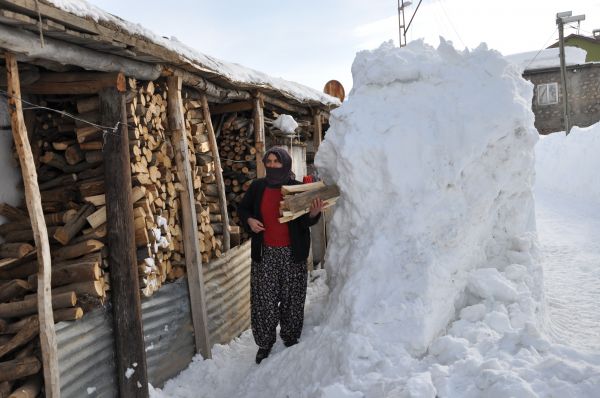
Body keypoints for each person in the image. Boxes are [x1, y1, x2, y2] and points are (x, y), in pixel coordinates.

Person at [238, 147, 324, 364]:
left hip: (292, 254)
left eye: (277, 161)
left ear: (285, 164)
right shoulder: (258, 187)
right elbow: (243, 209)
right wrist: (249, 220)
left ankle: (290, 335)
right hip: (265, 253)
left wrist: (314, 213)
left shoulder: (296, 189)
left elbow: (305, 221)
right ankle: (265, 343)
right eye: (270, 160)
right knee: (264, 301)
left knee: (292, 298)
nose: (273, 165)